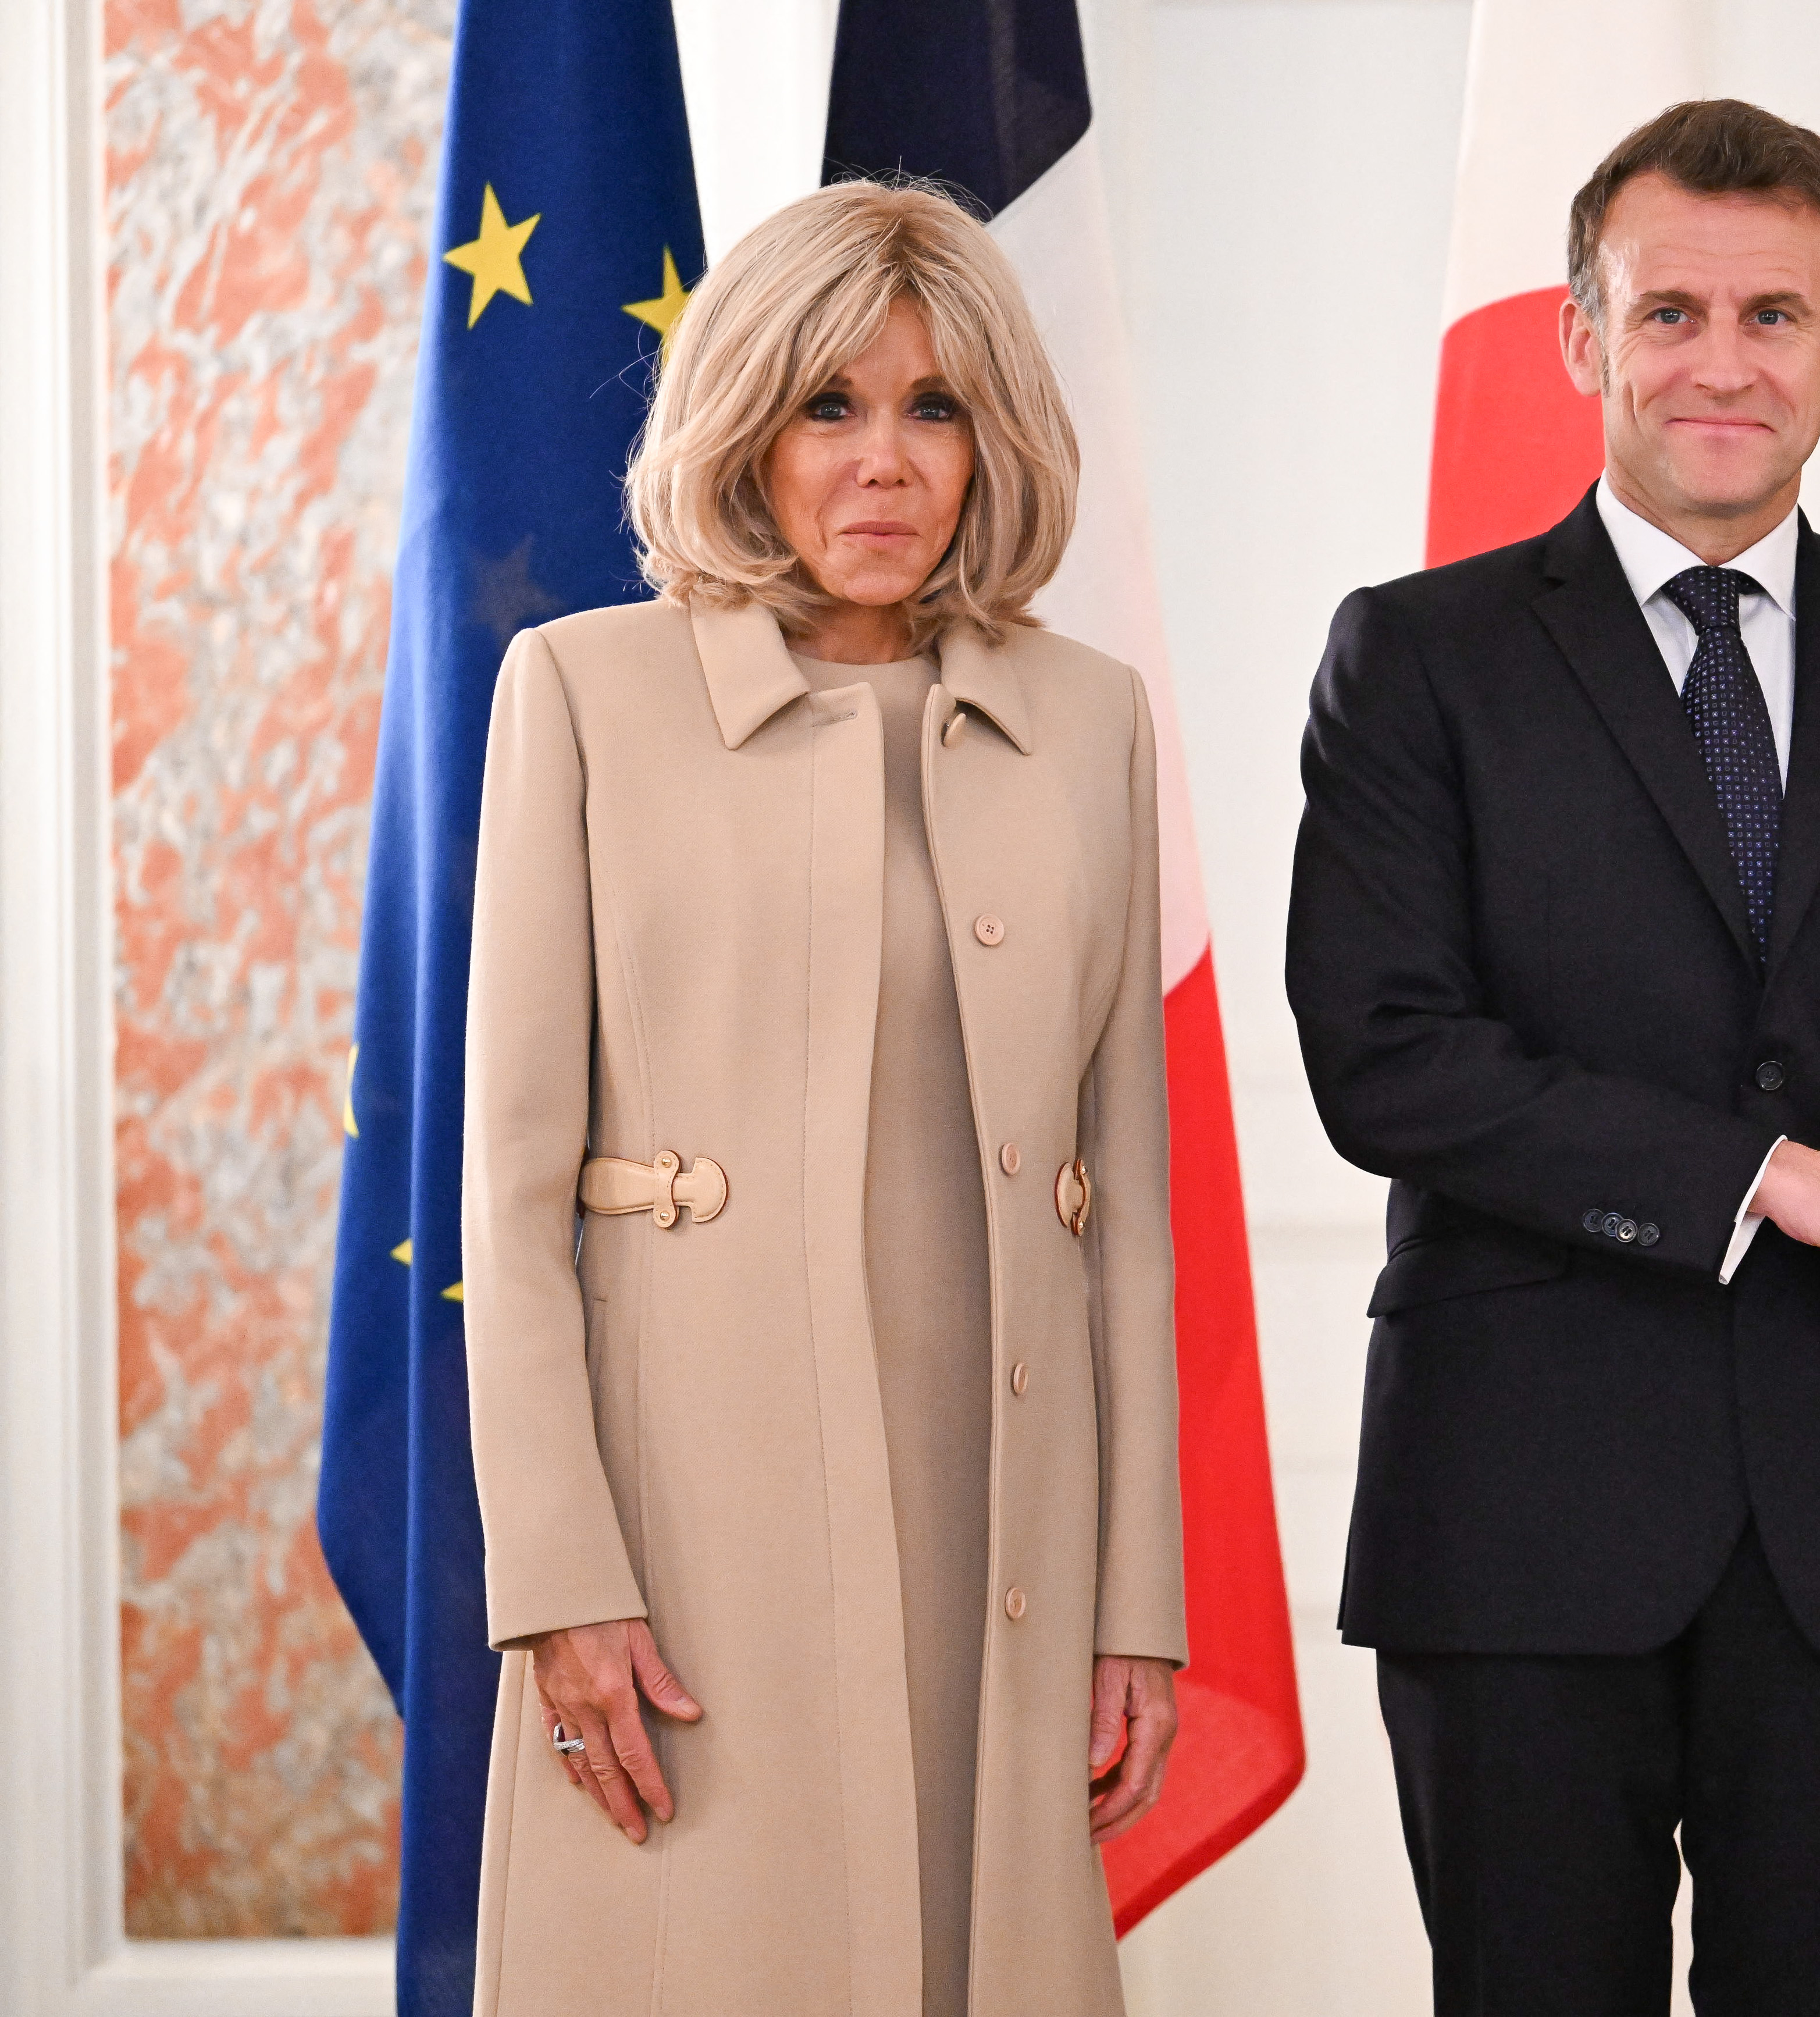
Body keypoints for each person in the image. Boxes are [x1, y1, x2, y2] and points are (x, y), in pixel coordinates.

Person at [1285, 100, 1820, 2015]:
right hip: (1516, 1529)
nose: (1721, 364)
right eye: (1669, 313)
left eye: (1772, 315)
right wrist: (1763, 1182)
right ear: (1582, 336)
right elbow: (1384, 1058)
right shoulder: (1419, 656)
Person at [458, 180, 1183, 2017]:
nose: (886, 463)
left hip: (1005, 1535)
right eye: (829, 405)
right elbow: (511, 1196)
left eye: (934, 408)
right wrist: (560, 1578)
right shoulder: (580, 691)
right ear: (746, 428)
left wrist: (1136, 1611)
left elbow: (1135, 1225)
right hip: (687, 1547)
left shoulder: (1090, 715)